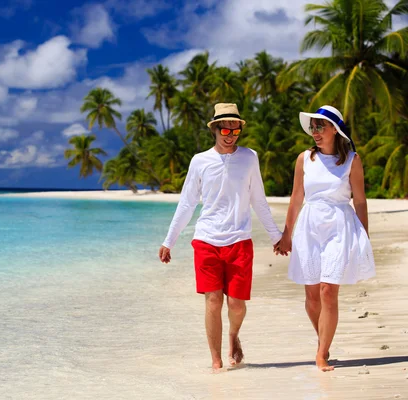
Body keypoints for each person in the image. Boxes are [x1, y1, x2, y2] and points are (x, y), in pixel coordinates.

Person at [158, 103, 282, 372]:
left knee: (236, 305)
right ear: (214, 129)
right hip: (206, 240)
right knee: (213, 301)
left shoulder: (250, 157)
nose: (230, 134)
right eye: (225, 128)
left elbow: (258, 199)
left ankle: (234, 336)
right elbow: (187, 203)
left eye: (235, 129)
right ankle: (216, 361)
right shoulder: (199, 161)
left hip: (239, 240)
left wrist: (276, 236)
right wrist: (169, 241)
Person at [275, 105, 375, 372]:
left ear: (335, 129)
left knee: (328, 290)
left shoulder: (352, 160)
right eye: (313, 127)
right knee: (311, 297)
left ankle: (321, 354)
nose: (315, 131)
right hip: (309, 227)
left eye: (320, 126)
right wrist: (286, 234)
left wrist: (363, 237)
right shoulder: (304, 159)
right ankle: (324, 340)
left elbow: (361, 202)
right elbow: (296, 199)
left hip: (340, 227)